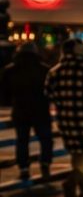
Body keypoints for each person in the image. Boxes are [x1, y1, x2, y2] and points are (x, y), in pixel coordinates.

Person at [45, 39, 83, 197]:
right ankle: (72, 181)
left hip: (65, 118)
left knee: (76, 153)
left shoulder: (54, 71)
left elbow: (48, 93)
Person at [0, 42, 54, 183]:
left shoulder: (10, 70)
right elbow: (50, 91)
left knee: (22, 140)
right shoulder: (44, 70)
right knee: (45, 139)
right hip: (40, 109)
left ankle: (23, 167)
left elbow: (5, 94)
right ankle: (45, 163)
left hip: (20, 109)